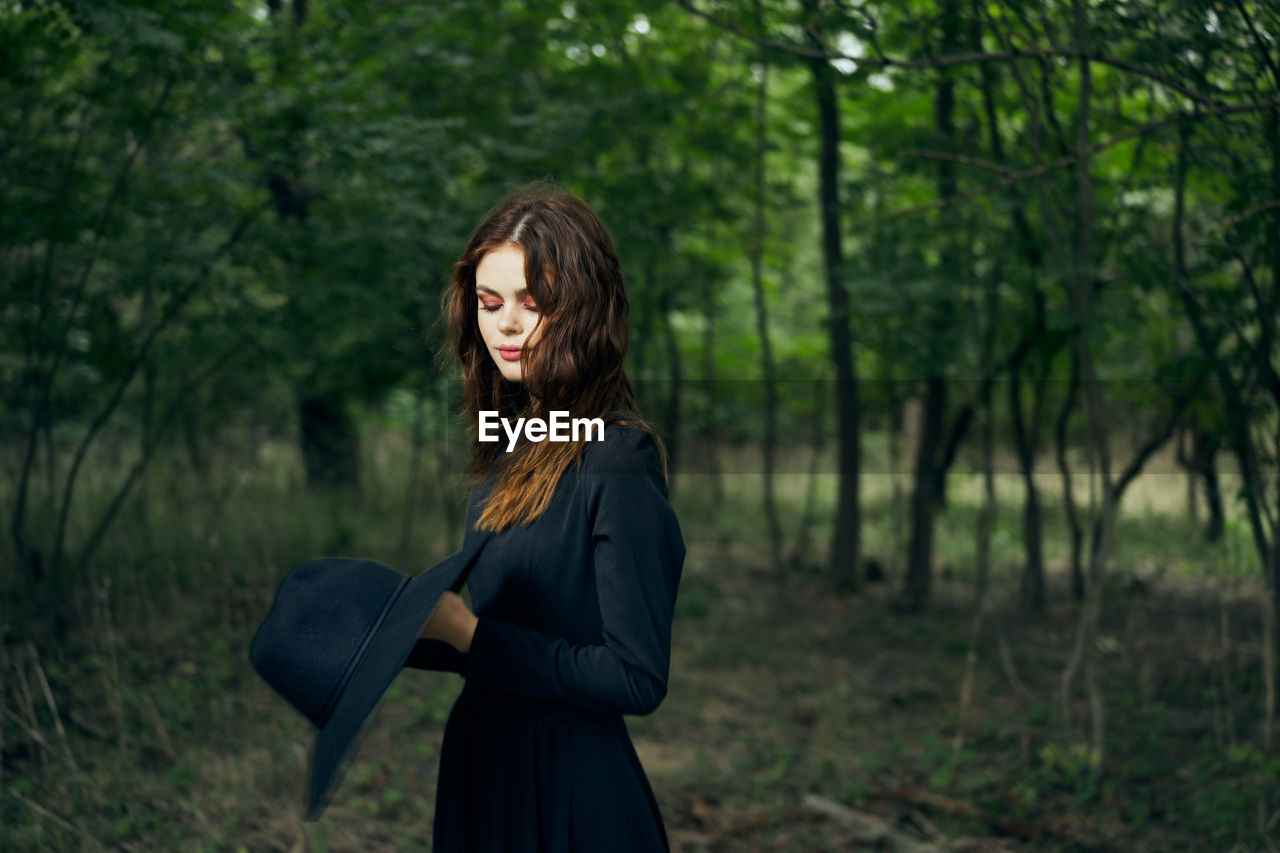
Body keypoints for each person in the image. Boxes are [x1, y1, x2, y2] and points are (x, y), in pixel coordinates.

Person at [404, 180, 687, 851]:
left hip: (567, 790)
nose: (505, 323)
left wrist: (473, 638)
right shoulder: (507, 444)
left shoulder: (619, 456)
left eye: (533, 304)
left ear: (584, 307)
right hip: (484, 766)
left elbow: (636, 675)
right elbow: (510, 631)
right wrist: (393, 633)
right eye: (490, 301)